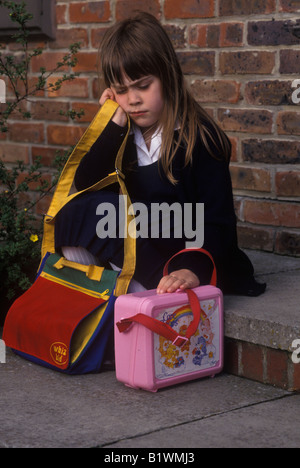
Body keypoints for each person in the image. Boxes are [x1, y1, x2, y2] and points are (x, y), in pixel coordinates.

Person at [55, 12, 266, 297]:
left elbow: (217, 221)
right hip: (139, 253)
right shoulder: (124, 133)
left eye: (143, 86)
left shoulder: (200, 138)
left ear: (167, 75)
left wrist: (192, 267)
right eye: (121, 91)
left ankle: (134, 297)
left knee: (106, 219)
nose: (133, 100)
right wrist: (111, 126)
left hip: (184, 256)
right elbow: (87, 182)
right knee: (77, 211)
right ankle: (93, 304)